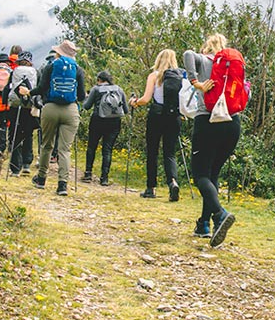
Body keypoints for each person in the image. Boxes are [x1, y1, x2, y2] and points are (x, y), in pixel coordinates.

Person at [183, 33, 240, 247]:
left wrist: (196, 82)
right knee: (212, 174)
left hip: (208, 120)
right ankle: (204, 225)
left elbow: (188, 54)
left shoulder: (204, 59)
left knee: (200, 174)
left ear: (207, 47)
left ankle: (219, 214)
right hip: (232, 124)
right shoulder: (232, 68)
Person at [31, 40, 86, 195]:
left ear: (58, 53)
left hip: (50, 108)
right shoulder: (78, 70)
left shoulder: (50, 66)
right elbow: (81, 95)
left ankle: (41, 178)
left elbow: (41, 88)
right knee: (64, 149)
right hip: (70, 110)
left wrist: (29, 93)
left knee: (46, 145)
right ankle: (62, 184)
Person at [130, 49, 182, 201]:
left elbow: (146, 99)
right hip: (174, 116)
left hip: (157, 115)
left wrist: (135, 102)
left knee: (152, 151)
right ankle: (172, 182)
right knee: (170, 152)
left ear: (159, 59)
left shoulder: (154, 76)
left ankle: (150, 188)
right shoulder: (180, 77)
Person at [82, 70, 128, 185]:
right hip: (114, 122)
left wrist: (86, 98)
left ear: (99, 80)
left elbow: (87, 106)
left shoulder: (96, 89)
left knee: (92, 146)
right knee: (107, 150)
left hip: (98, 120)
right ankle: (104, 178)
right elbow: (125, 110)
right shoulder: (119, 90)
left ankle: (88, 173)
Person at [8, 51, 38, 175]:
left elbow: (8, 88)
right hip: (29, 107)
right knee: (28, 134)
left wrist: (6, 102)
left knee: (14, 135)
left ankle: (15, 167)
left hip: (15, 106)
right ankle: (26, 164)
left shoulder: (15, 72)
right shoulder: (35, 72)